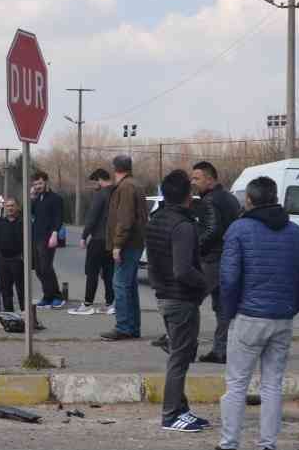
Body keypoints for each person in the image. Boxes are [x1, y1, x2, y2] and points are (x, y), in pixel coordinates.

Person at [207, 176, 299, 450]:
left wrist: (229, 313)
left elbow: (229, 278)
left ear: (250, 200)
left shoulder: (239, 229)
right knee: (272, 385)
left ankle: (228, 446)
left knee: (236, 384)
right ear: (276, 197)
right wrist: (291, 307)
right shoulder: (297, 233)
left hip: (248, 317)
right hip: (281, 318)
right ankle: (268, 449)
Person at [147, 169, 211, 432]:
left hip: (165, 295)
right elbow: (183, 270)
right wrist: (206, 283)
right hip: (180, 299)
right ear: (189, 196)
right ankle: (171, 415)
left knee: (179, 354)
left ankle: (181, 410)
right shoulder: (183, 226)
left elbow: (152, 263)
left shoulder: (156, 219)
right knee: (180, 358)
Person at [190, 161, 242, 364]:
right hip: (228, 259)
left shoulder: (209, 201)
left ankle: (182, 346)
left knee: (189, 302)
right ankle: (220, 351)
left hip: (212, 260)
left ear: (210, 180)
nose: (193, 182)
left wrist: (195, 248)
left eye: (197, 178)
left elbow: (212, 231)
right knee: (223, 308)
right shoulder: (230, 198)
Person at [100, 155, 147, 340]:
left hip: (127, 244)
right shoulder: (135, 185)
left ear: (115, 169)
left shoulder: (125, 187)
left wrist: (117, 244)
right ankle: (132, 327)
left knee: (120, 285)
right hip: (134, 243)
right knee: (129, 287)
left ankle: (124, 327)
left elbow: (125, 219)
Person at [71, 169, 115, 316]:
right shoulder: (117, 192)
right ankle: (111, 304)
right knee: (109, 273)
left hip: (97, 239)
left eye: (94, 183)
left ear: (99, 180)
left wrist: (84, 236)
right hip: (112, 240)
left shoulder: (100, 194)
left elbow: (92, 217)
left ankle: (88, 304)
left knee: (92, 272)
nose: (93, 186)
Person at [28, 172, 65, 308]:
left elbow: (58, 217)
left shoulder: (56, 199)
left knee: (46, 268)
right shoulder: (37, 198)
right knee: (38, 269)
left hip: (48, 237)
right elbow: (30, 213)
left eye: (40, 183)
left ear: (46, 182)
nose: (37, 186)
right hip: (36, 237)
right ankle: (48, 296)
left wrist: (55, 234)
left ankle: (57, 296)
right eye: (35, 184)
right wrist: (32, 197)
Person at [0, 197, 26, 312]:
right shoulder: (1, 223)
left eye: (12, 205)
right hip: (3, 260)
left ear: (17, 207)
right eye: (8, 206)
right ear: (4, 208)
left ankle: (25, 314)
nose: (10, 208)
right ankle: (9, 314)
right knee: (5, 290)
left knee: (21, 289)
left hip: (18, 260)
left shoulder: (22, 222)